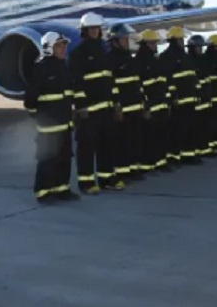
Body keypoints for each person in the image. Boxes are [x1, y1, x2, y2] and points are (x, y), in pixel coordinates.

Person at [69, 12, 122, 194]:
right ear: (84, 31)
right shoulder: (78, 53)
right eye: (92, 28)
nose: (95, 31)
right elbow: (76, 82)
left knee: (107, 145)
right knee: (86, 147)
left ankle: (107, 178)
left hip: (106, 108)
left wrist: (116, 103)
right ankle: (87, 182)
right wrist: (81, 106)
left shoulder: (104, 51)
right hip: (89, 111)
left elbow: (110, 80)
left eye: (97, 28)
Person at [25, 31, 80, 204]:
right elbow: (30, 99)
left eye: (64, 45)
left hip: (64, 124)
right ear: (49, 48)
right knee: (48, 160)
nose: (63, 49)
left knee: (64, 159)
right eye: (59, 46)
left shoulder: (63, 66)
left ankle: (61, 189)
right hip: (48, 127)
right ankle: (43, 192)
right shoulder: (41, 68)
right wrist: (39, 117)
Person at [108, 24, 145, 181]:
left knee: (135, 139)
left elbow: (136, 82)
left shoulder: (128, 56)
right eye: (123, 38)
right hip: (123, 107)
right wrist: (117, 106)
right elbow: (111, 85)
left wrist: (143, 101)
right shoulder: (110, 59)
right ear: (115, 40)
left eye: (126, 38)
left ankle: (134, 168)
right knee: (122, 141)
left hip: (135, 105)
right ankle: (123, 171)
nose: (125, 41)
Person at [160, 26, 201, 165]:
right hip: (178, 100)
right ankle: (175, 157)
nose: (182, 41)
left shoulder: (186, 56)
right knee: (177, 129)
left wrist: (197, 92)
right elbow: (168, 79)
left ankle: (189, 155)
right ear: (173, 40)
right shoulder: (166, 57)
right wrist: (173, 96)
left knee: (191, 128)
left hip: (190, 98)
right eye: (180, 39)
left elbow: (193, 76)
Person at [136, 29, 172, 173]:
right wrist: (145, 106)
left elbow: (163, 82)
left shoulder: (156, 60)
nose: (154, 45)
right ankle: (147, 165)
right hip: (150, 106)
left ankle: (160, 162)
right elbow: (139, 86)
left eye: (155, 43)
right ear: (144, 44)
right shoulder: (139, 62)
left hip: (160, 105)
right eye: (151, 43)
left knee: (161, 136)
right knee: (148, 138)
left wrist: (167, 100)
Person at [189, 34, 216, 158]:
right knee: (197, 127)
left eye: (202, 47)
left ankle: (206, 148)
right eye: (198, 47)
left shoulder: (204, 60)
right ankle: (198, 149)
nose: (201, 49)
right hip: (197, 100)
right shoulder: (189, 61)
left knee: (207, 124)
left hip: (206, 98)